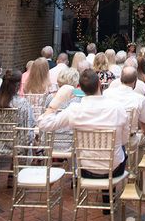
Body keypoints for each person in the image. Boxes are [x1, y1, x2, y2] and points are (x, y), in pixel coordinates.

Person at [38, 69, 129, 203]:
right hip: (113, 169)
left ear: (80, 88)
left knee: (113, 150)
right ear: (99, 84)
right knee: (119, 150)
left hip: (85, 168)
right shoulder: (117, 108)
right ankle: (109, 197)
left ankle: (107, 197)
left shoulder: (75, 109)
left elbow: (44, 123)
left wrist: (57, 101)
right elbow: (125, 140)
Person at [103, 67, 145, 153]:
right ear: (135, 81)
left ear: (120, 79)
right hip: (129, 141)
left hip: (108, 138)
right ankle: (133, 164)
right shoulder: (139, 99)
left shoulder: (107, 93)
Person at [0, 70, 34, 155]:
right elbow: (28, 127)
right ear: (18, 85)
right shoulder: (22, 103)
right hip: (16, 145)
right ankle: (21, 166)